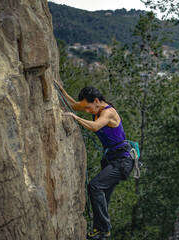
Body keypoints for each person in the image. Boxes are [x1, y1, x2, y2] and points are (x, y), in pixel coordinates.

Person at [53, 79, 134, 239]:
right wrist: (61, 90)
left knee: (95, 187)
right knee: (103, 195)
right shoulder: (96, 109)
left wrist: (76, 118)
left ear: (97, 101)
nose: (88, 111)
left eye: (89, 107)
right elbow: (75, 105)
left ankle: (103, 229)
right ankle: (101, 231)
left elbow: (95, 126)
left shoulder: (108, 112)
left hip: (122, 161)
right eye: (86, 108)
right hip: (112, 159)